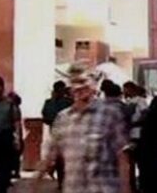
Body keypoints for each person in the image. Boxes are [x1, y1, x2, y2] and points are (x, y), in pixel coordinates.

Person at [38, 63, 131, 193]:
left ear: (93, 84)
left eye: (82, 81)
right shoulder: (63, 119)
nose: (78, 87)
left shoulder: (110, 114)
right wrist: (36, 181)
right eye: (74, 82)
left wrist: (126, 189)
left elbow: (122, 157)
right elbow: (50, 157)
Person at [7, 91, 25, 179]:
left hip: (13, 133)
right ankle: (15, 171)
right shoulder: (16, 108)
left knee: (13, 153)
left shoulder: (13, 109)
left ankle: (13, 171)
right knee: (15, 154)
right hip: (16, 133)